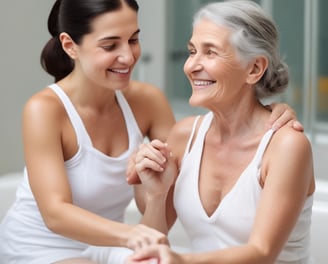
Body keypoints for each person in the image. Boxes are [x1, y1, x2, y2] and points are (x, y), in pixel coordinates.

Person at [0, 0, 302, 263]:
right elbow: (55, 213)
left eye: (133, 39)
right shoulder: (44, 110)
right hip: (45, 245)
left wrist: (271, 111)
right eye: (110, 45)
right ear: (70, 46)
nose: (129, 57)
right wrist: (138, 235)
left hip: (112, 245)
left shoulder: (147, 101)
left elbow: (178, 178)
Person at [127, 1, 315, 264]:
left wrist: (181, 260)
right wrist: (157, 196)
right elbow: (151, 248)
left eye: (210, 53)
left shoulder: (287, 146)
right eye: (192, 51)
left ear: (254, 69)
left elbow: (262, 253)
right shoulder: (184, 137)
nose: (192, 65)